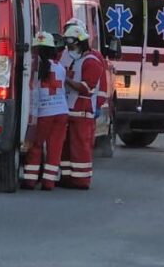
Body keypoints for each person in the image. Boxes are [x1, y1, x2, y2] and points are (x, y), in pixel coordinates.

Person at [22, 32, 69, 191]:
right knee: (55, 147)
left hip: (43, 113)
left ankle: (30, 181)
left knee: (36, 146)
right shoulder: (60, 68)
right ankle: (49, 182)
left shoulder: (34, 68)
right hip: (61, 112)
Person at [61, 24, 105, 189]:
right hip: (69, 109)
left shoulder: (92, 62)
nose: (69, 47)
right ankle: (66, 177)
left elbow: (87, 88)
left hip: (82, 111)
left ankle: (81, 180)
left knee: (80, 146)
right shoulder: (73, 59)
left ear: (80, 43)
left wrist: (66, 81)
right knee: (66, 146)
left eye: (71, 44)